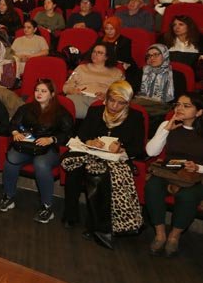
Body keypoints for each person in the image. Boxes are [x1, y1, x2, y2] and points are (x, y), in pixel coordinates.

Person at [61, 81, 146, 249]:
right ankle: (70, 215)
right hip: (91, 153)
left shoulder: (135, 117)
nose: (114, 106)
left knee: (99, 176)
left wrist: (121, 147)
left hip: (115, 160)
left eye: (120, 103)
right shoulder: (95, 111)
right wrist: (91, 141)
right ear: (106, 98)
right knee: (74, 169)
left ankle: (93, 225)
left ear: (127, 103)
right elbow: (82, 134)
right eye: (111, 100)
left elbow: (138, 147)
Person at [0, 80, 74, 222]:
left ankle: (47, 206)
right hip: (27, 146)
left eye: (43, 91)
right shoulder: (26, 108)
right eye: (37, 90)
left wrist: (51, 139)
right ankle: (8, 197)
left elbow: (68, 133)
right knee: (11, 159)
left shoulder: (60, 112)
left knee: (41, 164)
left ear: (52, 94)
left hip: (48, 149)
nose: (39, 93)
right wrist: (15, 132)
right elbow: (13, 123)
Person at [144, 93, 203, 257]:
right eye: (178, 105)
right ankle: (160, 234)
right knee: (152, 186)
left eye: (186, 106)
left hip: (194, 175)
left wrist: (197, 167)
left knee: (188, 196)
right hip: (168, 169)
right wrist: (166, 129)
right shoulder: (167, 124)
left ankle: (174, 237)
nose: (179, 109)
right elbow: (150, 151)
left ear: (199, 112)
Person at [62, 43, 124, 118]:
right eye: (94, 52)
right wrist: (72, 91)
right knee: (67, 109)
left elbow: (121, 92)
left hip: (103, 100)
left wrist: (107, 96)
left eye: (100, 53)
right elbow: (67, 86)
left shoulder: (116, 73)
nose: (95, 54)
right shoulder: (81, 68)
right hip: (80, 97)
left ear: (107, 57)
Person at [131, 44, 187, 123]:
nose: (152, 58)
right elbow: (132, 90)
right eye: (149, 56)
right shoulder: (142, 71)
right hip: (140, 105)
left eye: (156, 54)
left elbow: (180, 98)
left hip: (162, 109)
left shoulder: (177, 76)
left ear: (165, 55)